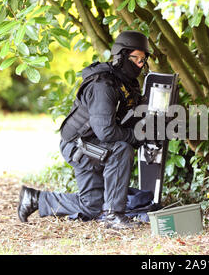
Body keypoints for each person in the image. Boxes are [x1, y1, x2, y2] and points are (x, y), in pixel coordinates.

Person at [18, 30, 151, 229]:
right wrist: (136, 137)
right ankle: (114, 214)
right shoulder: (103, 85)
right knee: (122, 149)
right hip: (79, 146)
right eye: (136, 58)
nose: (141, 64)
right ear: (122, 56)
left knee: (91, 207)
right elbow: (106, 132)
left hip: (91, 144)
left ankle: (36, 199)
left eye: (144, 59)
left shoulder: (125, 82)